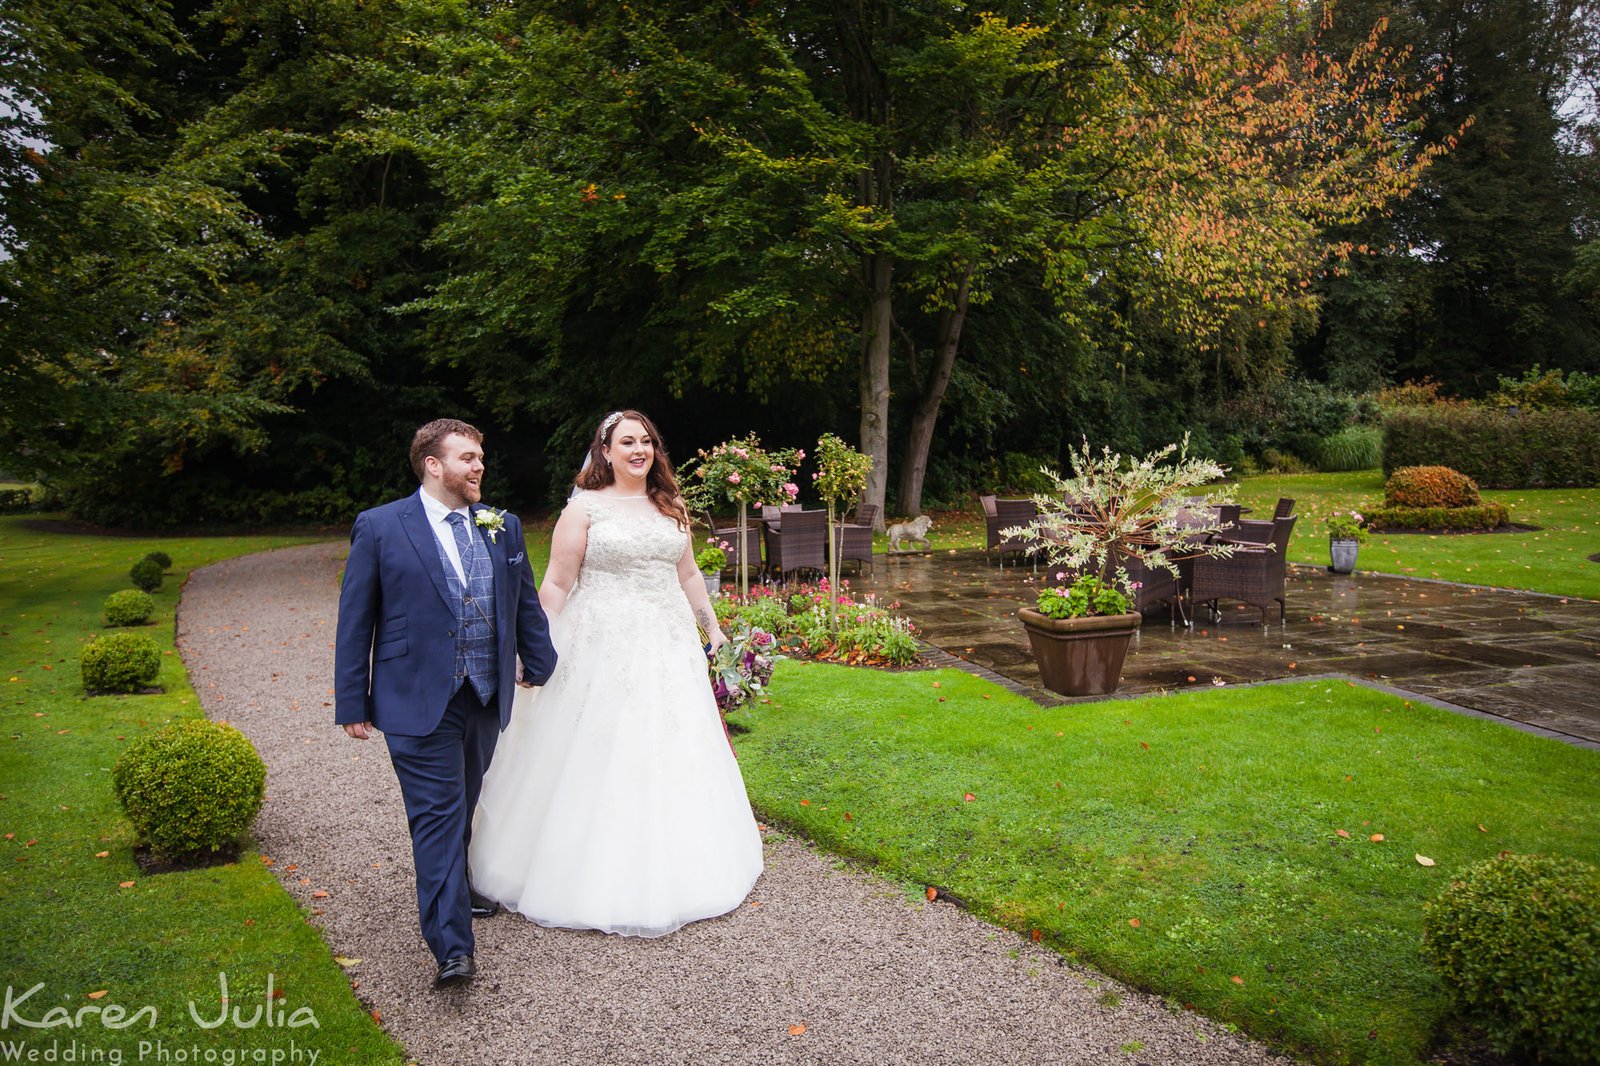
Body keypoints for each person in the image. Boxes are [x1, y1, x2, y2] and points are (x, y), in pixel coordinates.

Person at [469, 410, 763, 936]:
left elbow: (690, 573)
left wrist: (712, 631)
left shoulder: (671, 505)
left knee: (672, 743)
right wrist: (532, 644)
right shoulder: (584, 510)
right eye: (627, 442)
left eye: (646, 441)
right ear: (605, 451)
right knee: (599, 745)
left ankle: (686, 862)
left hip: (668, 646)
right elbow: (557, 584)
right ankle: (584, 868)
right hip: (600, 645)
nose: (638, 450)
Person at [334, 418, 558, 989]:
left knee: (464, 801)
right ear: (433, 465)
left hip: (483, 694)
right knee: (436, 816)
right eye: (467, 457)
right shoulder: (381, 526)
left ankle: (457, 885)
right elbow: (356, 618)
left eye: (481, 456)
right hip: (413, 697)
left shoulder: (501, 526)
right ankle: (452, 946)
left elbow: (522, 601)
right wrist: (350, 699)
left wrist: (541, 660)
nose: (479, 465)